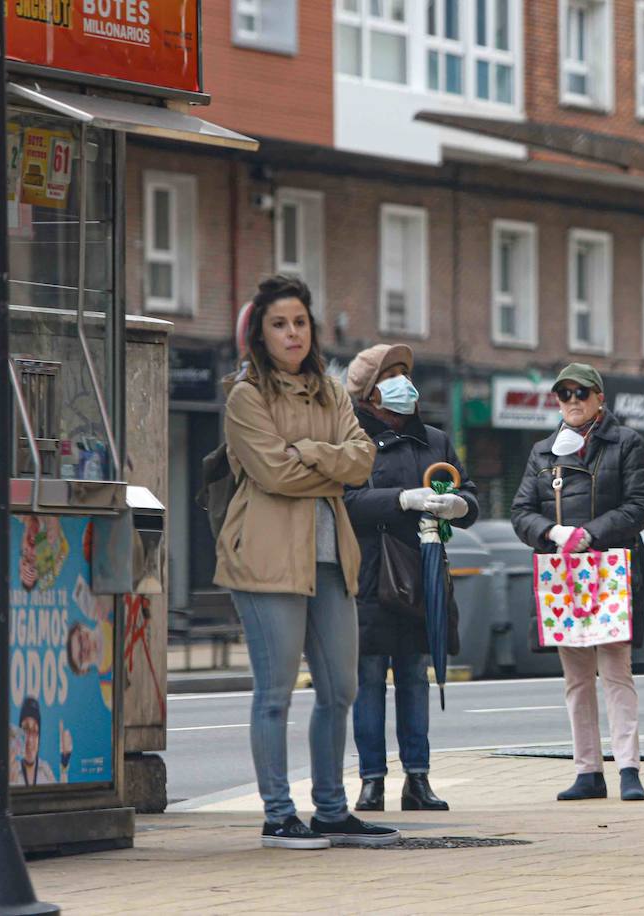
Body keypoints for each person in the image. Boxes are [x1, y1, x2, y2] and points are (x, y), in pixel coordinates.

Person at [215, 275, 396, 849]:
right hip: (266, 559)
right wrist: (329, 463)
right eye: (278, 324)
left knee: (340, 689)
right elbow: (273, 473)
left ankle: (331, 811)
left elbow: (364, 461)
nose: (292, 333)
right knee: (275, 693)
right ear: (259, 336)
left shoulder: (331, 390)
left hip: (329, 557)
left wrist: (311, 452)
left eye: (299, 322)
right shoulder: (246, 396)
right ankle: (276, 814)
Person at [342, 343, 479, 813]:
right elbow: (346, 502)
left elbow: (467, 493)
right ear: (367, 394)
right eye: (391, 374)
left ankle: (417, 779)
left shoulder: (435, 441)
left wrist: (459, 505)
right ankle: (371, 780)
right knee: (369, 676)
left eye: (405, 372)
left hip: (423, 574)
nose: (404, 382)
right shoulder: (353, 439)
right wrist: (403, 499)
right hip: (370, 576)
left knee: (416, 677)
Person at [511, 363, 644, 802]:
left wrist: (591, 533)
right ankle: (588, 770)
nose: (572, 401)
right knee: (575, 677)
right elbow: (521, 511)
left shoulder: (627, 443)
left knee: (615, 671)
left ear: (599, 399)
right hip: (563, 575)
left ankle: (628, 767)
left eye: (581, 393)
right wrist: (552, 533)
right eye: (564, 394)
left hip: (611, 568)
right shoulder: (543, 451)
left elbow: (640, 504)